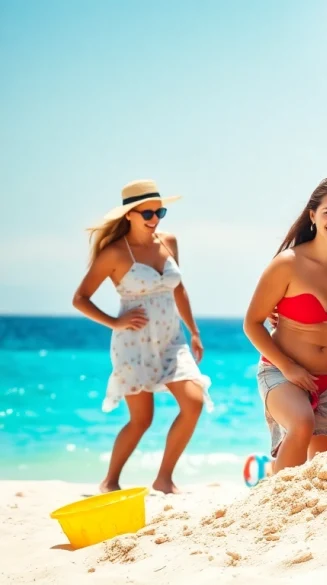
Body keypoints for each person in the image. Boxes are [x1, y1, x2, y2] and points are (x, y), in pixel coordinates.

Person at [72, 179, 212, 494]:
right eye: (147, 213)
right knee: (142, 419)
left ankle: (164, 479)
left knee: (193, 401)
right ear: (129, 215)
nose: (155, 219)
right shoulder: (114, 253)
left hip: (171, 340)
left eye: (159, 211)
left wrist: (195, 332)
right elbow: (80, 298)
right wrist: (115, 321)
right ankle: (109, 481)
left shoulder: (169, 242)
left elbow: (180, 290)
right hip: (132, 344)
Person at [243, 177, 327, 473]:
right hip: (282, 372)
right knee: (301, 424)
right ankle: (275, 502)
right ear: (313, 215)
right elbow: (252, 323)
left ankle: (277, 479)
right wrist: (287, 366)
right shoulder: (288, 264)